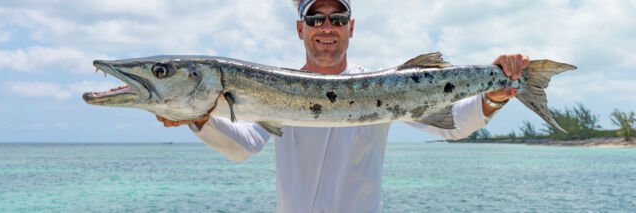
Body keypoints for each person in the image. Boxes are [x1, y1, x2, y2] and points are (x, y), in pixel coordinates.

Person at [156, 0, 529, 212]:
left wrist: (495, 92)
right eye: (315, 18)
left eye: (336, 18)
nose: (326, 26)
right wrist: (198, 119)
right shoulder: (268, 91)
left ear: (351, 26)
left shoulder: (384, 85)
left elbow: (452, 125)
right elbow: (242, 148)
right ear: (300, 29)